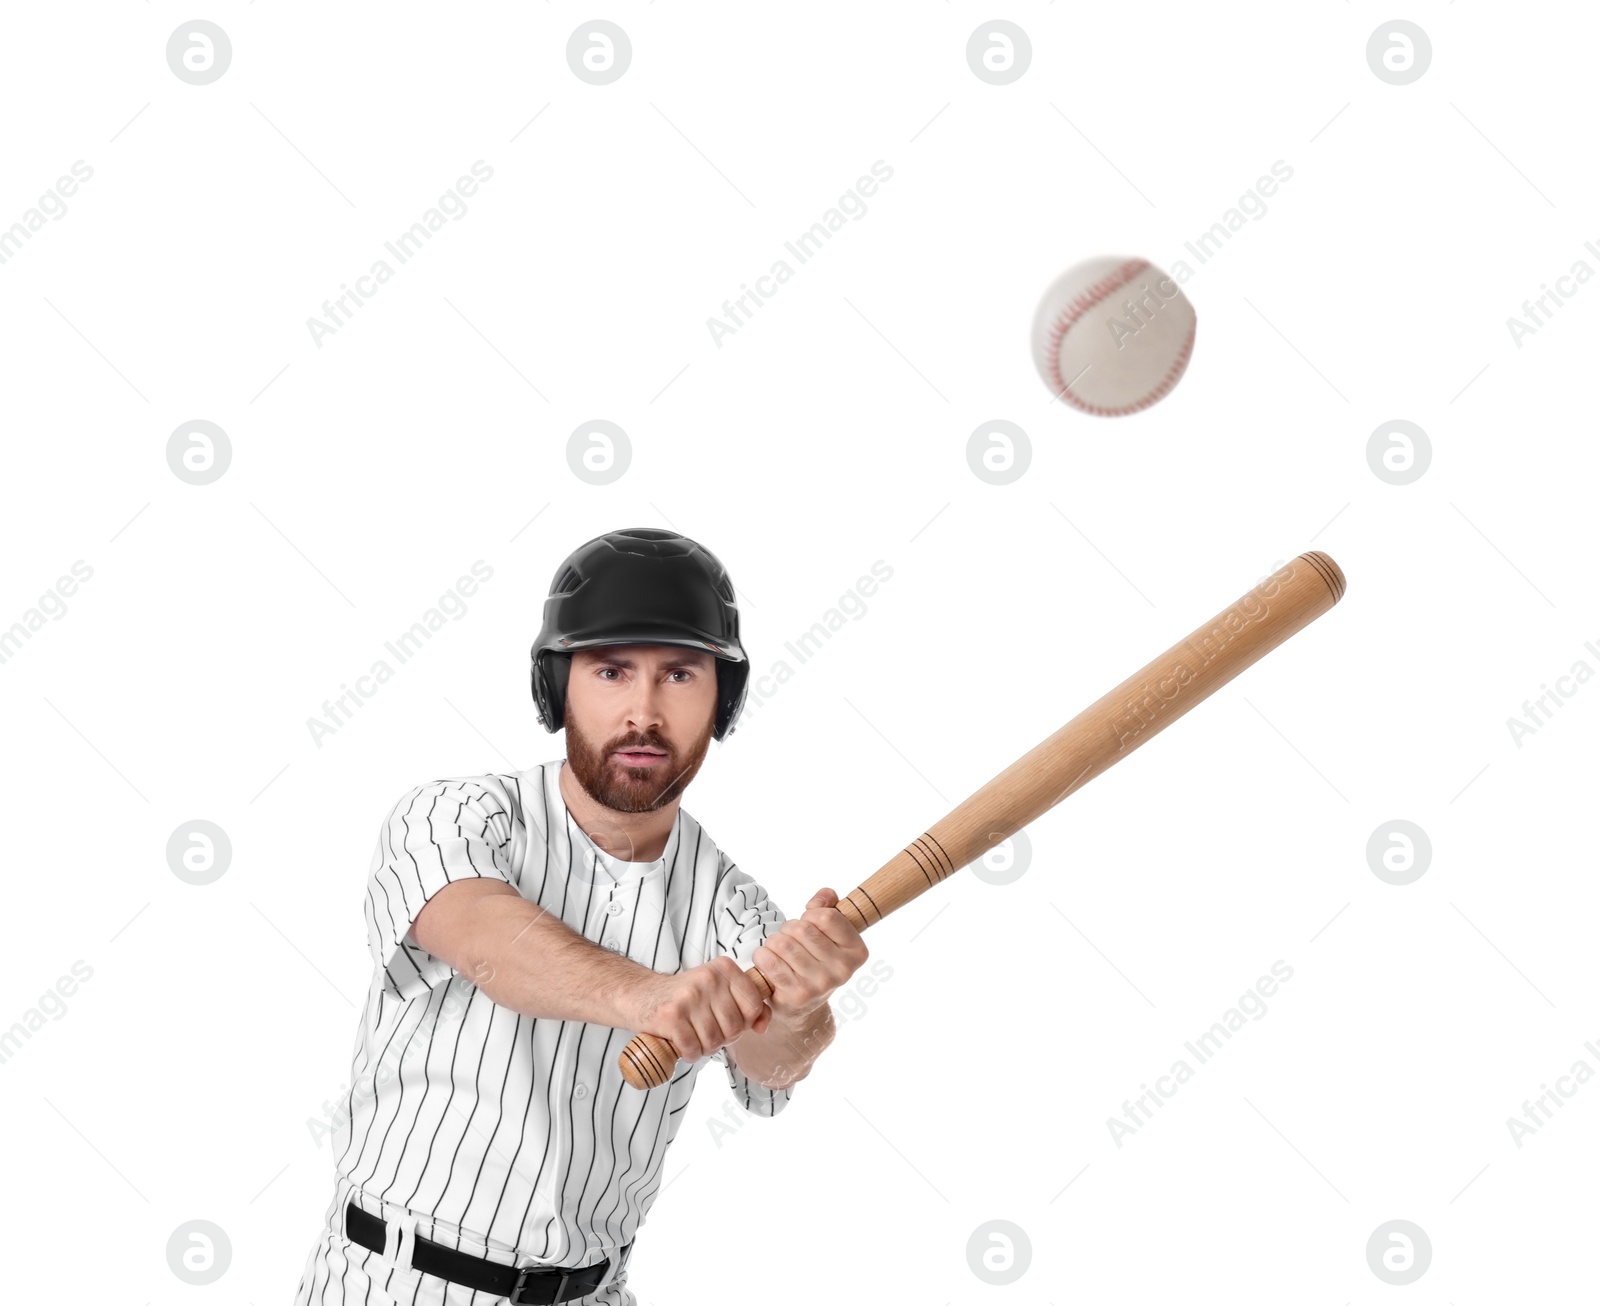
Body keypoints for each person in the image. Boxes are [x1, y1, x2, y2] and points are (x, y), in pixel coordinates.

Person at [292, 526, 869, 1306]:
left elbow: (773, 1070)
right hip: (393, 1282)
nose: (643, 710)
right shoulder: (455, 816)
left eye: (680, 675)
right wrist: (652, 998)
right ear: (555, 687)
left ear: (720, 700)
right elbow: (483, 935)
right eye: (610, 671)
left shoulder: (733, 905)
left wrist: (801, 1008)